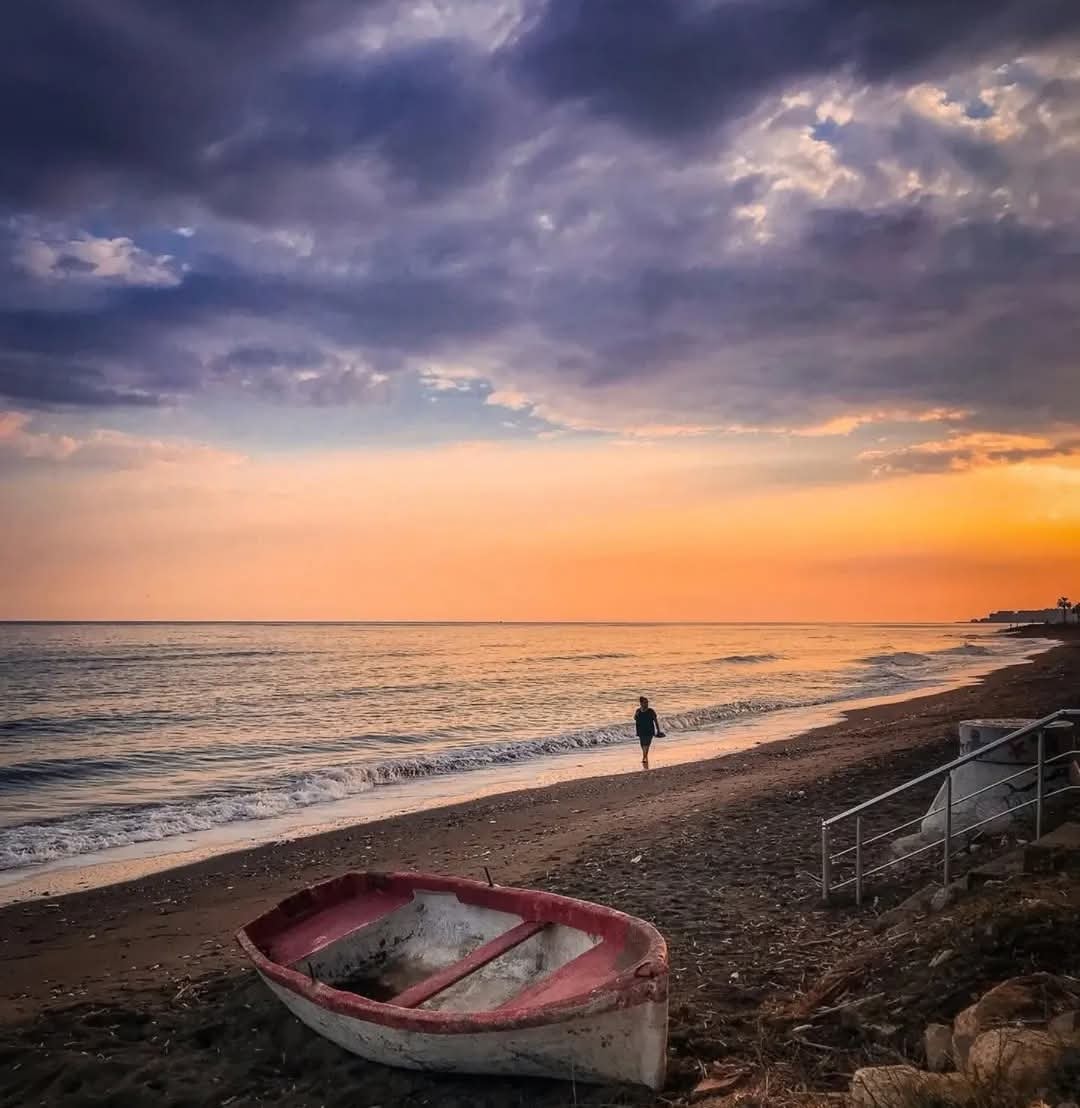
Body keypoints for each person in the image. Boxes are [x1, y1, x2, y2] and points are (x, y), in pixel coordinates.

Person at [634, 695, 664, 769]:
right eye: (645, 702)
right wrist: (636, 715)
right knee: (642, 744)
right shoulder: (638, 710)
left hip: (650, 729)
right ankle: (645, 756)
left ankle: (644, 757)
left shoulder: (651, 711)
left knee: (647, 744)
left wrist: (658, 730)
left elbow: (656, 721)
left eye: (647, 702)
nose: (647, 704)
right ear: (641, 703)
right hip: (641, 729)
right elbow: (635, 718)